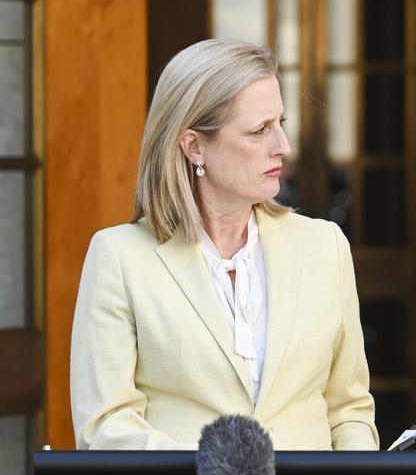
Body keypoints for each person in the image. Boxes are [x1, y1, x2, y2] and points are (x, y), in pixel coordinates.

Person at [70, 39, 378, 450]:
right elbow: (104, 426)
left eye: (280, 123)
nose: (282, 146)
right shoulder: (119, 258)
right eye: (258, 130)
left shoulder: (326, 247)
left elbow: (348, 410)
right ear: (195, 146)